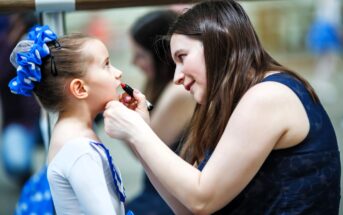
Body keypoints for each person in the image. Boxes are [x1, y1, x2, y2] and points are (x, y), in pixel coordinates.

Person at [103, 0, 341, 214]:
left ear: (219, 42)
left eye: (182, 57)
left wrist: (139, 132)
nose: (176, 77)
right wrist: (141, 132)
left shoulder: (268, 96)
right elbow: (187, 208)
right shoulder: (230, 101)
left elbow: (202, 200)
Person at [9, 25, 129, 214]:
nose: (118, 72)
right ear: (80, 89)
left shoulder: (73, 133)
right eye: (106, 64)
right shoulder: (79, 150)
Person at [127, 10, 195, 215]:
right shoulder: (158, 85)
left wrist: (112, 114)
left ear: (160, 55)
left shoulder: (179, 92)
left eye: (140, 55)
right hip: (159, 189)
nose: (132, 63)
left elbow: (144, 149)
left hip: (169, 198)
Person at [0, 13, 42, 185]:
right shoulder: (5, 42)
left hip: (49, 115)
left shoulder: (45, 38)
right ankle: (26, 181)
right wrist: (11, 42)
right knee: (16, 163)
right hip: (19, 121)